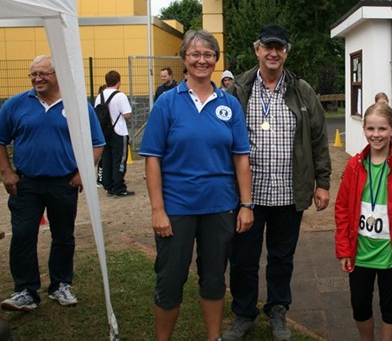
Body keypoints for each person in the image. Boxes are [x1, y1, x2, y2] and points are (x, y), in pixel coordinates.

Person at [139, 30, 253, 341]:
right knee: (169, 279)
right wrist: (158, 210)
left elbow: (241, 157)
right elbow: (152, 159)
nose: (202, 60)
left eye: (208, 55)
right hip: (177, 208)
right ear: (184, 59)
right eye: (195, 54)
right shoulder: (167, 103)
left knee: (214, 279)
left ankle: (214, 337)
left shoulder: (230, 104)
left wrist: (246, 204)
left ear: (216, 59)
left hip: (220, 206)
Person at [224, 23, 331, 341]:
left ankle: (277, 310)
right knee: (243, 259)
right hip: (248, 196)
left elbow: (318, 138)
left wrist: (322, 182)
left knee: (282, 258)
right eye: (268, 47)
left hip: (289, 192)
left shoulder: (302, 90)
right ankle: (244, 314)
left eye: (279, 47)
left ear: (286, 52)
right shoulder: (238, 90)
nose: (273, 53)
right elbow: (222, 139)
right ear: (257, 49)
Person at [0, 55, 105, 311]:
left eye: (43, 74)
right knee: (23, 235)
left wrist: (82, 173)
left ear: (58, 75)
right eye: (33, 74)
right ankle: (25, 291)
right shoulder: (15, 105)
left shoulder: (77, 105)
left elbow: (97, 143)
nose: (37, 79)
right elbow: (1, 140)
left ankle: (60, 284)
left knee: (63, 236)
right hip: (26, 184)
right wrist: (6, 172)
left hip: (63, 183)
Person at [335, 102, 392, 341]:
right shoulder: (354, 165)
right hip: (360, 253)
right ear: (364, 129)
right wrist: (344, 249)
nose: (376, 134)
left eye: (382, 129)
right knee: (359, 306)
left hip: (389, 256)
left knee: (389, 308)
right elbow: (342, 208)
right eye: (371, 128)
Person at [94, 70, 134, 197]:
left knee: (107, 159)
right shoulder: (120, 96)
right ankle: (119, 187)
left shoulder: (99, 96)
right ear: (118, 82)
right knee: (119, 160)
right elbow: (127, 114)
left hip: (104, 132)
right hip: (119, 131)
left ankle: (109, 187)